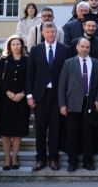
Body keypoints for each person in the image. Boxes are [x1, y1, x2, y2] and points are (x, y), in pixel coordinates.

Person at [26, 22, 70, 172]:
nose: (51, 34)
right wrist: (29, 95)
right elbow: (30, 74)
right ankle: (40, 159)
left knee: (55, 129)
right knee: (40, 130)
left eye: (53, 31)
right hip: (40, 96)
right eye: (48, 32)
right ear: (43, 33)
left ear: (56, 32)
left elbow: (68, 75)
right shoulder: (35, 50)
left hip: (58, 96)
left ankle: (53, 158)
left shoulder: (65, 49)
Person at [58, 38, 98, 172]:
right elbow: (62, 85)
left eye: (87, 47)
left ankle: (88, 161)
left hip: (90, 103)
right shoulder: (68, 63)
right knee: (72, 134)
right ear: (77, 47)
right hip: (72, 104)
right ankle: (72, 162)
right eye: (82, 47)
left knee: (88, 134)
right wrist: (62, 104)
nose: (85, 49)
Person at [0, 35, 30, 171]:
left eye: (18, 44)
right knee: (6, 132)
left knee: (17, 132)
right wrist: (8, 92)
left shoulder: (27, 60)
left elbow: (30, 79)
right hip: (6, 100)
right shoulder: (3, 60)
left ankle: (15, 158)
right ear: (9, 46)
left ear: (22, 46)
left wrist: (23, 93)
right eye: (13, 44)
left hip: (21, 101)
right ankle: (6, 159)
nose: (16, 46)